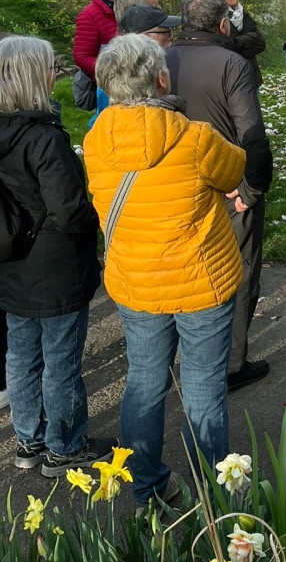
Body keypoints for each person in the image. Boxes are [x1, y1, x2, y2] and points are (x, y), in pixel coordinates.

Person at [84, 34, 246, 507]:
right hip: (201, 282)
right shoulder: (194, 137)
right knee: (202, 388)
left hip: (135, 281)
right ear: (160, 78)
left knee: (145, 383)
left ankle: (149, 488)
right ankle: (218, 498)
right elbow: (234, 171)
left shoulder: (96, 140)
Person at [0, 36, 102, 475]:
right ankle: (64, 446)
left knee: (21, 357)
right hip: (54, 263)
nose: (55, 74)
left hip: (11, 260)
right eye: (49, 67)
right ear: (30, 77)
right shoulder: (42, 138)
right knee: (60, 359)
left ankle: (28, 440)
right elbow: (68, 210)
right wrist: (95, 212)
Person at [165, 0, 273, 392]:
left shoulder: (162, 59)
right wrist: (253, 187)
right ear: (223, 24)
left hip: (177, 184)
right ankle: (230, 363)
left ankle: (190, 357)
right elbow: (252, 135)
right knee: (240, 273)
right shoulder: (232, 63)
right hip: (229, 187)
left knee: (188, 270)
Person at [209, 0, 266, 87]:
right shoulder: (212, 19)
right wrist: (249, 39)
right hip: (230, 81)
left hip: (251, 79)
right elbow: (221, 49)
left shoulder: (242, 13)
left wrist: (236, 44)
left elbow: (261, 43)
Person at [73, 0, 126, 80]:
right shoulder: (89, 16)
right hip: (106, 84)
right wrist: (113, 70)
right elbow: (81, 57)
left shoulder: (125, 8)